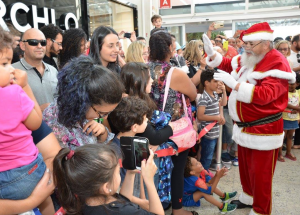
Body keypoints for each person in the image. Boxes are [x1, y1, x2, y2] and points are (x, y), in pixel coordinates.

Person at [203, 22, 295, 215]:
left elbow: (267, 95)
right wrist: (213, 55)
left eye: (250, 44)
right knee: (246, 169)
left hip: (264, 129)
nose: (246, 48)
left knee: (261, 175)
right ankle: (248, 197)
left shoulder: (277, 62)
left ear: (265, 43)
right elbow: (230, 63)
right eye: (245, 44)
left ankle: (261, 210)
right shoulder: (253, 55)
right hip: (244, 127)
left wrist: (235, 86)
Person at [0, 27, 54, 214]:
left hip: (4, 185)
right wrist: (24, 87)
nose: (11, 69)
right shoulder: (12, 92)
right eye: (5, 64)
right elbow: (36, 122)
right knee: (45, 194)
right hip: (26, 173)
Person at [149, 30, 197, 215]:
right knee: (177, 170)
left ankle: (155, 206)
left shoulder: (142, 69)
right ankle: (177, 210)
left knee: (154, 170)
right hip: (174, 130)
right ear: (170, 48)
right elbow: (192, 94)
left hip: (150, 128)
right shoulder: (174, 72)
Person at [53, 144, 164, 215]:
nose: (119, 174)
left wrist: (130, 173)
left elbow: (122, 199)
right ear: (106, 187)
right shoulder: (125, 212)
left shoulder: (82, 201)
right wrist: (149, 181)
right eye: (117, 172)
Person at [43, 55, 124, 149]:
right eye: (102, 113)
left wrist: (102, 134)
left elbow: (101, 142)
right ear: (84, 101)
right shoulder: (54, 122)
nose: (104, 117)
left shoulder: (83, 111)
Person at [12, 28, 58, 112]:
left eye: (43, 43)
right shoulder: (12, 71)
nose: (39, 46)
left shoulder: (53, 70)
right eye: (33, 42)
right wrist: (37, 110)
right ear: (22, 45)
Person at [109, 97, 149, 179]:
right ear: (134, 127)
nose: (147, 120)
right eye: (145, 119)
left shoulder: (116, 144)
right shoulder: (117, 152)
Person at [197, 69, 227, 171]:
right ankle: (203, 177)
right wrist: (216, 117)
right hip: (208, 134)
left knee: (208, 158)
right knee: (206, 158)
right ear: (206, 83)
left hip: (214, 133)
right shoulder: (204, 98)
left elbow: (223, 104)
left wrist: (223, 91)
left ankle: (205, 175)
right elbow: (200, 116)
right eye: (215, 81)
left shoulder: (214, 95)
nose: (217, 84)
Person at [279, 81, 299, 161]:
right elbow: (285, 104)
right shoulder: (284, 93)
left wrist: (297, 113)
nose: (290, 85)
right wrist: (297, 109)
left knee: (290, 136)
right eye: (289, 83)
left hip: (294, 118)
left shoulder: (298, 92)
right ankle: (279, 154)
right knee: (282, 137)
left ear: (297, 84)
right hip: (285, 118)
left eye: (292, 84)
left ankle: (288, 152)